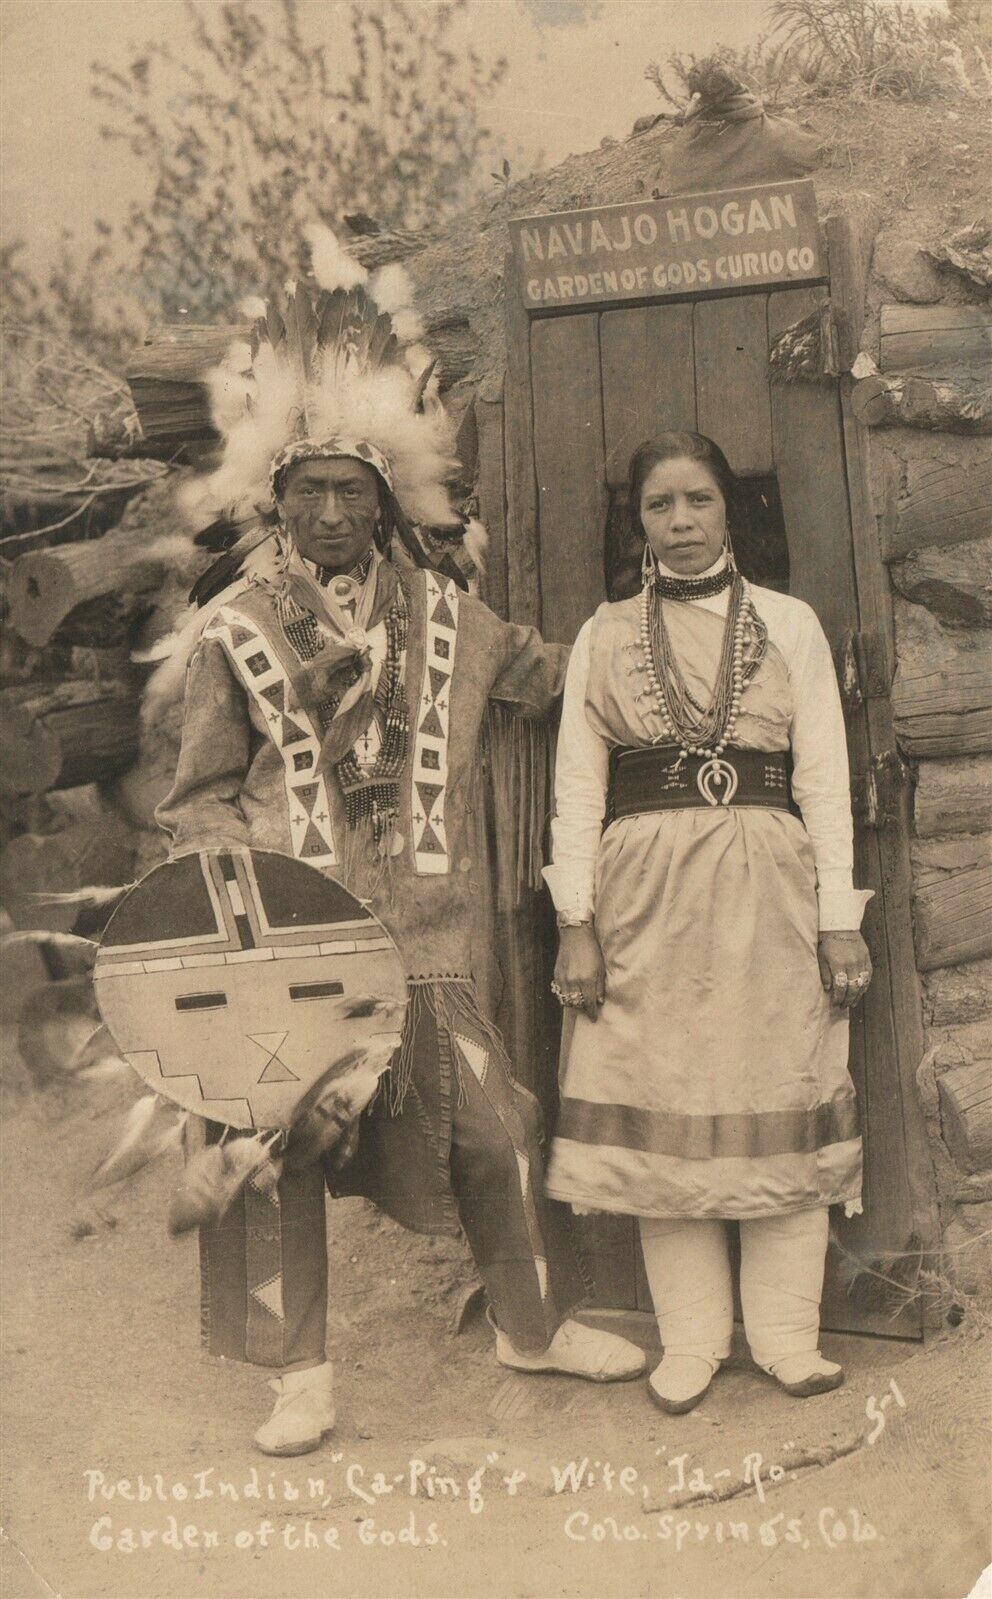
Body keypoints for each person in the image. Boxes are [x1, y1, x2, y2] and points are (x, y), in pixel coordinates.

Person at [156, 253, 644, 1456]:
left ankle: (529, 1325)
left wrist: (660, 639)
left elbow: (550, 675)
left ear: (384, 502)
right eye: (311, 490)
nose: (331, 512)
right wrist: (238, 895)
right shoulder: (237, 632)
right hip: (291, 948)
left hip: (428, 944)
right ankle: (297, 1373)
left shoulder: (446, 618)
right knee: (275, 1165)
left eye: (351, 492)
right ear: (281, 500)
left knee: (491, 1132)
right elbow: (200, 796)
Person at [543, 431, 872, 1415]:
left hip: (770, 891)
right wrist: (576, 921)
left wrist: (835, 916)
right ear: (634, 519)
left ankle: (784, 1339)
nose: (679, 523)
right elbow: (573, 789)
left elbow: (820, 778)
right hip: (642, 902)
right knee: (664, 1111)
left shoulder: (788, 624)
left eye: (697, 501)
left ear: (729, 510)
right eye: (658, 505)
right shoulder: (603, 635)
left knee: (783, 1084)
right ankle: (689, 1343)